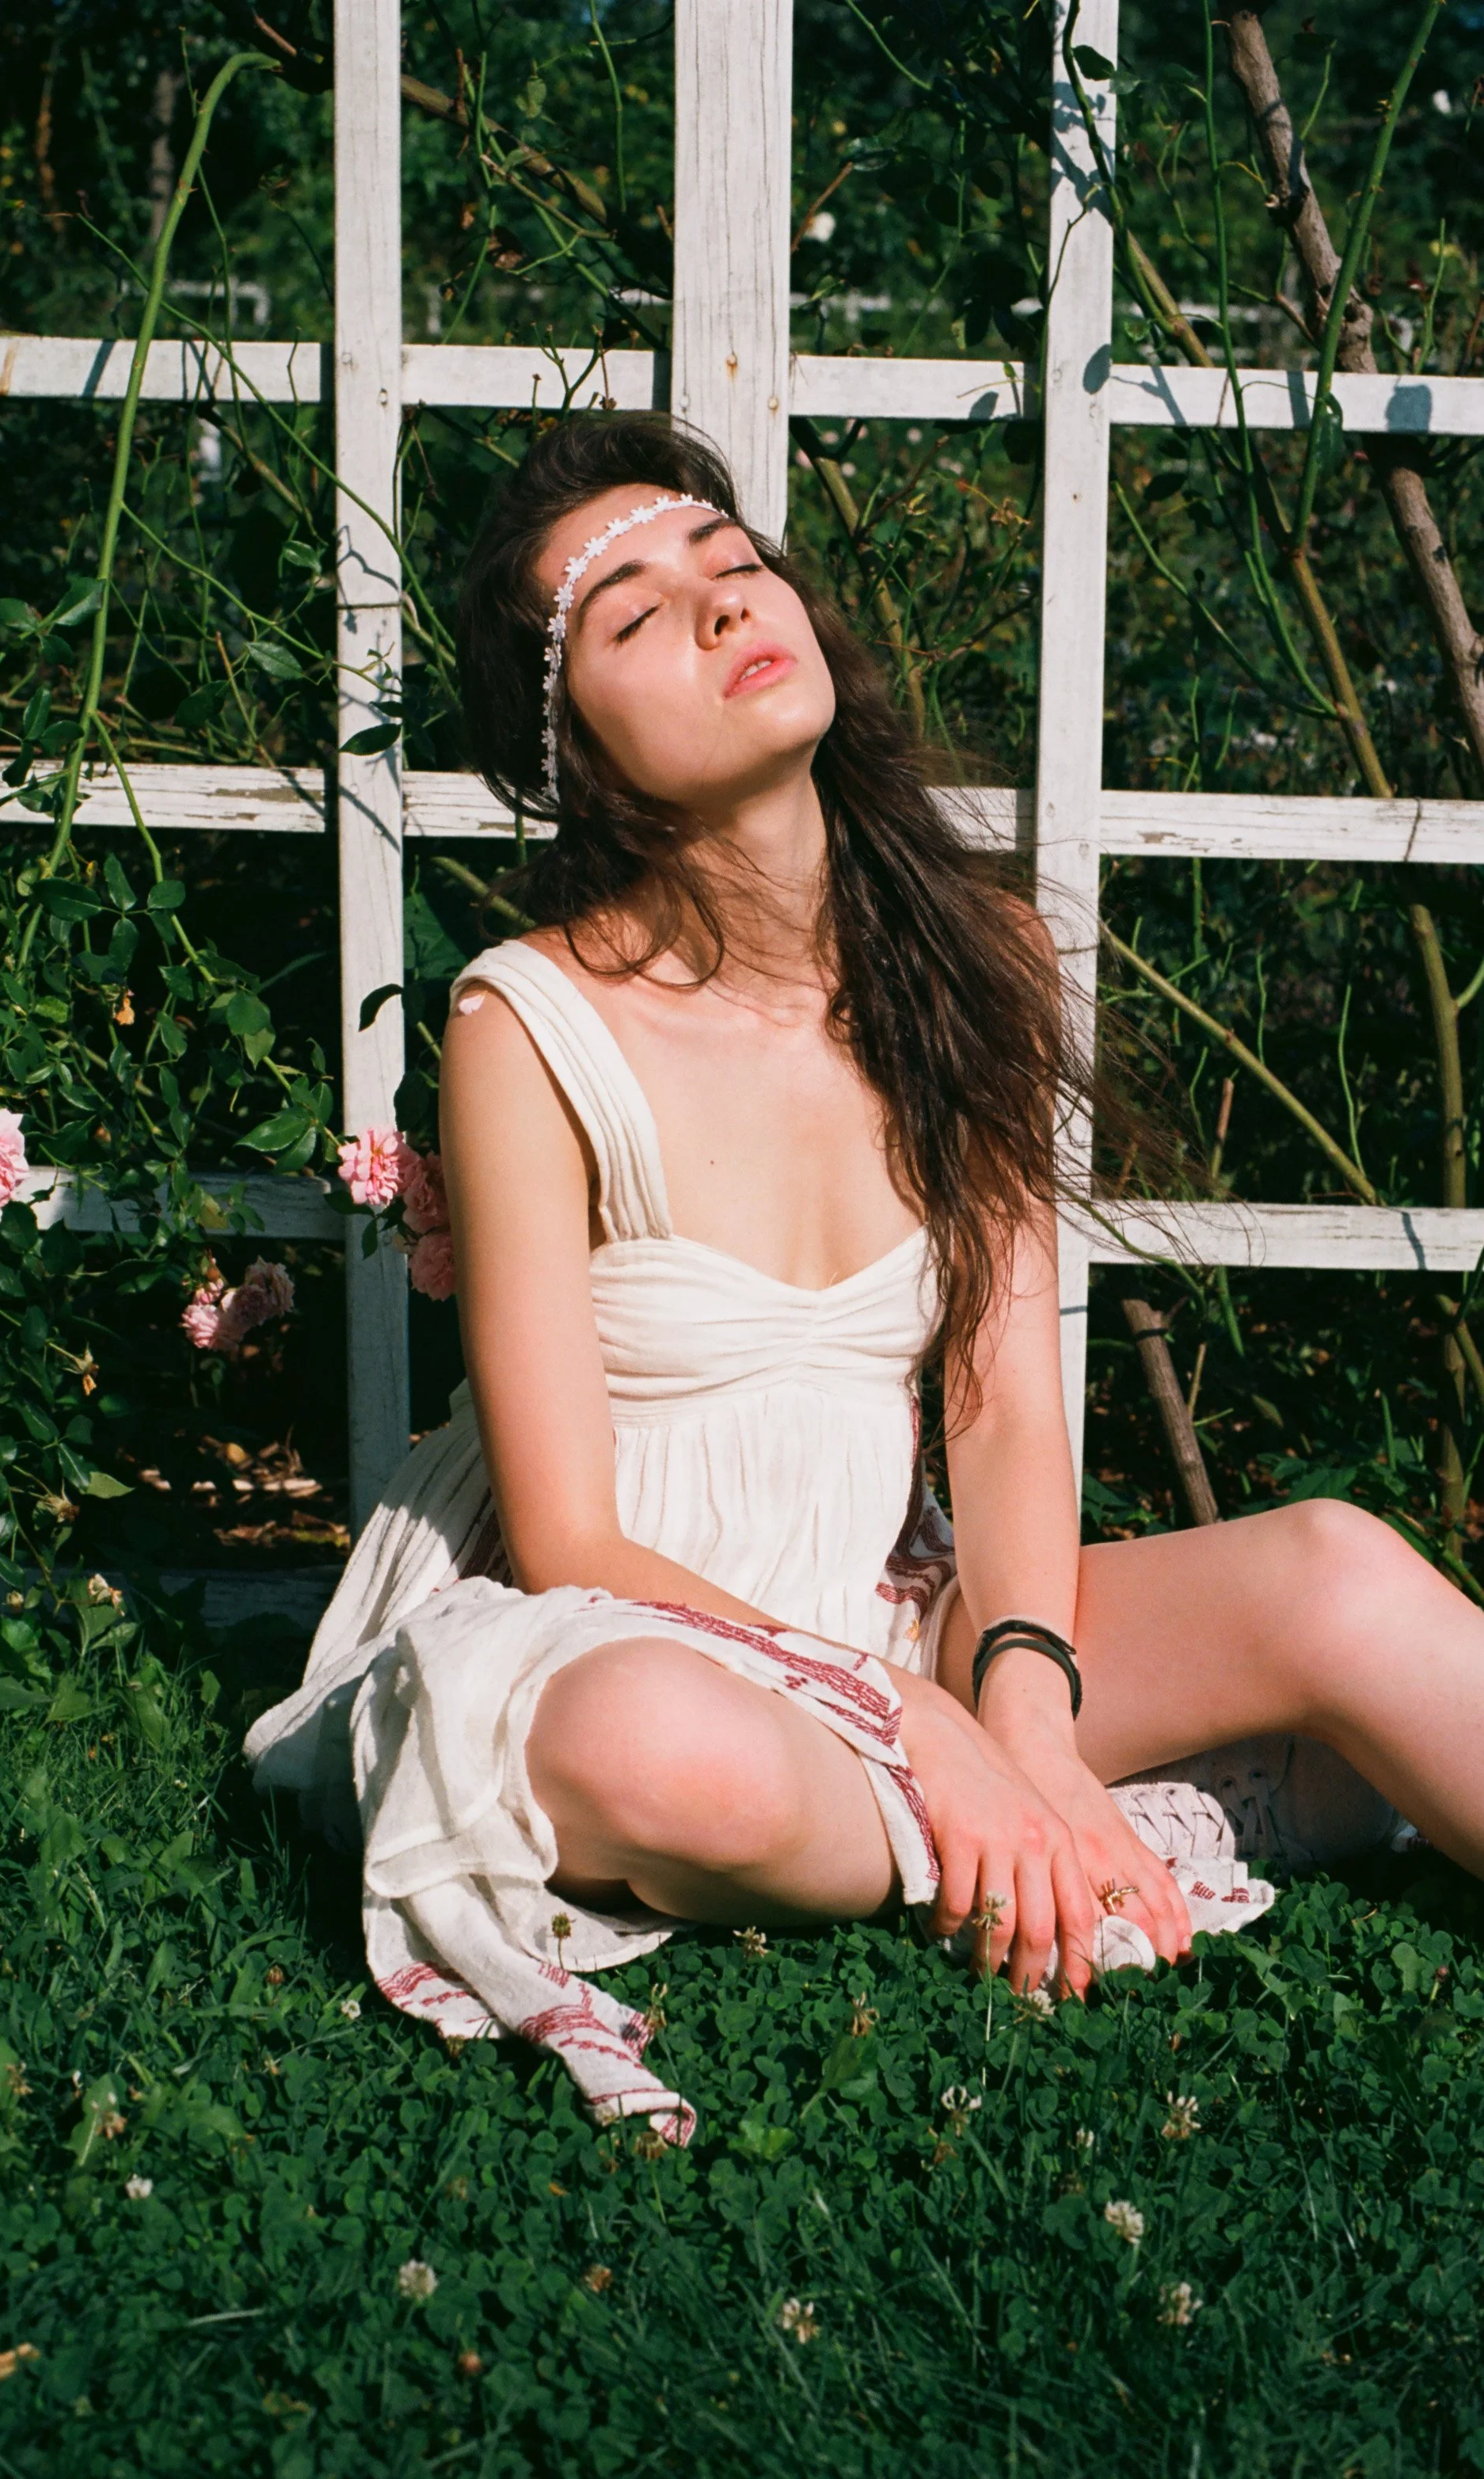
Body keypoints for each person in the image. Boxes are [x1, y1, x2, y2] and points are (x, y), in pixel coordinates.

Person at [248, 413, 1477, 2142]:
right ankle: (1153, 1808)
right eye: (632, 613)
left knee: (1338, 1572)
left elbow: (997, 1403)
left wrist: (1026, 1720)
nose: (717, 604)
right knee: (651, 1748)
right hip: (639, 1628)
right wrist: (908, 1715)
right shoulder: (526, 1018)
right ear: (577, 751)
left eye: (731, 565)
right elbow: (571, 1534)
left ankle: (1053, 1809)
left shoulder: (978, 954)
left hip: (906, 1592)